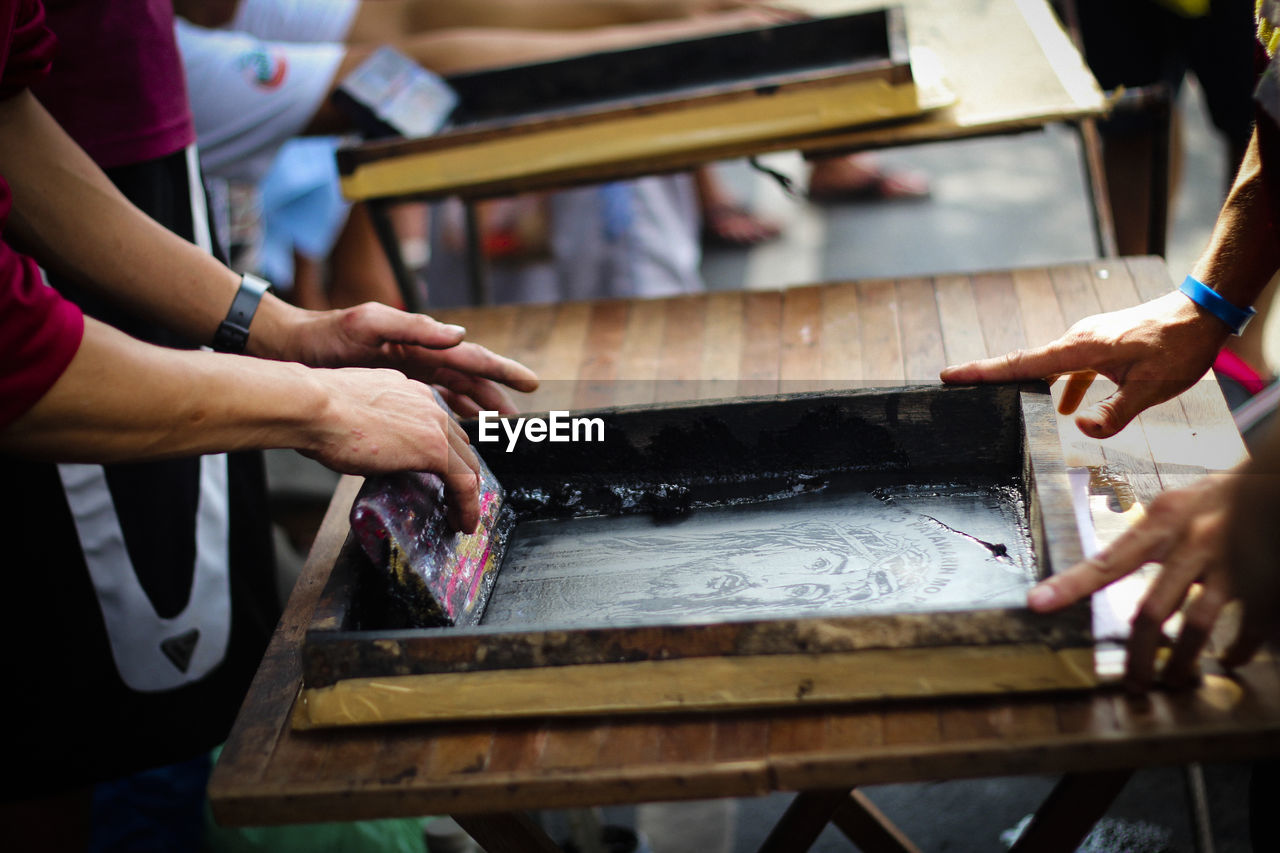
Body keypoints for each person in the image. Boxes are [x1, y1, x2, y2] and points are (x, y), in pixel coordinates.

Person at [0, 2, 535, 849]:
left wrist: (287, 332)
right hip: (62, 370)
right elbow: (17, 358)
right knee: (70, 730)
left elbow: (12, 130)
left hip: (135, 256)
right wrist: (318, 407)